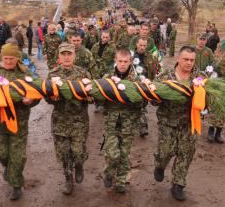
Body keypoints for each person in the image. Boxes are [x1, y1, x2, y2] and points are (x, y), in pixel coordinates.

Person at [0, 43, 38, 200]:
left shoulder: (25, 72)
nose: (8, 62)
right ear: (1, 57)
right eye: (6, 58)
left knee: (19, 156)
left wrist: (31, 100)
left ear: (17, 58)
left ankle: (16, 185)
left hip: (19, 122)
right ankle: (8, 168)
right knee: (0, 154)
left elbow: (38, 90)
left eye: (12, 59)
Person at [153, 45, 203, 201]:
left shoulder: (200, 78)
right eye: (185, 59)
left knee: (186, 153)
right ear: (178, 59)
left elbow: (207, 99)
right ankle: (160, 165)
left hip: (189, 123)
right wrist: (159, 96)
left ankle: (178, 184)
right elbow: (153, 100)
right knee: (165, 152)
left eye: (192, 60)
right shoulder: (164, 76)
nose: (189, 63)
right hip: (167, 121)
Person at [48, 43, 92, 195]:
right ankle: (68, 178)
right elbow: (47, 98)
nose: (66, 57)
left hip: (79, 120)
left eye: (69, 54)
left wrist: (89, 97)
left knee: (78, 151)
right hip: (60, 120)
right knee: (64, 153)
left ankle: (79, 164)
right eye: (63, 54)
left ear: (75, 56)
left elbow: (93, 96)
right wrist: (51, 98)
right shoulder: (52, 74)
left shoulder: (83, 74)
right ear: (59, 56)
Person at [102, 48, 143, 193]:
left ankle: (121, 181)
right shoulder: (107, 77)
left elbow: (143, 102)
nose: (123, 64)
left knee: (124, 154)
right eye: (120, 61)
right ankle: (108, 173)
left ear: (130, 62)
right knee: (112, 153)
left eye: (126, 61)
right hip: (111, 122)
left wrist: (132, 97)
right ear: (115, 60)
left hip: (128, 123)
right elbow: (100, 99)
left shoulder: (136, 80)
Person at [133, 38, 159, 137]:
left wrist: (151, 83)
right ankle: (139, 126)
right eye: (141, 45)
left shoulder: (150, 56)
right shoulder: (131, 56)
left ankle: (142, 126)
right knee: (135, 106)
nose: (142, 47)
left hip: (145, 86)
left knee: (142, 106)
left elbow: (153, 71)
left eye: (144, 45)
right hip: (134, 85)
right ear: (137, 44)